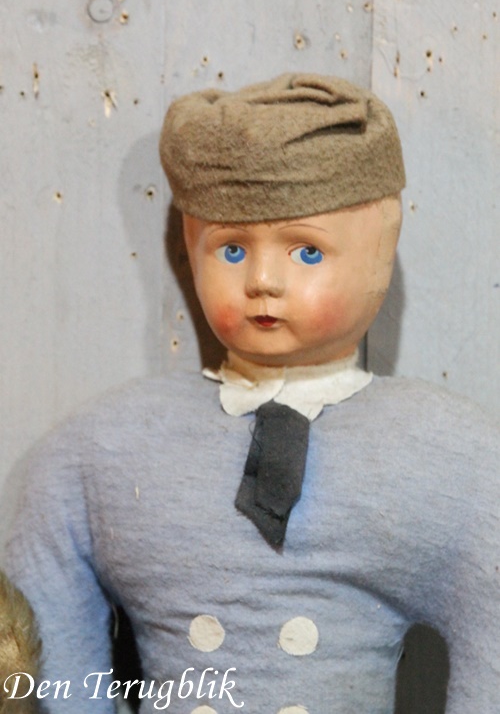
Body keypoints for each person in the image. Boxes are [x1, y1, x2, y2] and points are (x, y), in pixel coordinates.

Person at [4, 74, 500, 713]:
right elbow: (43, 626)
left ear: (378, 255)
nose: (263, 280)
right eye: (232, 249)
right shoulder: (103, 450)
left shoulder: (450, 458)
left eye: (308, 252)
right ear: (191, 248)